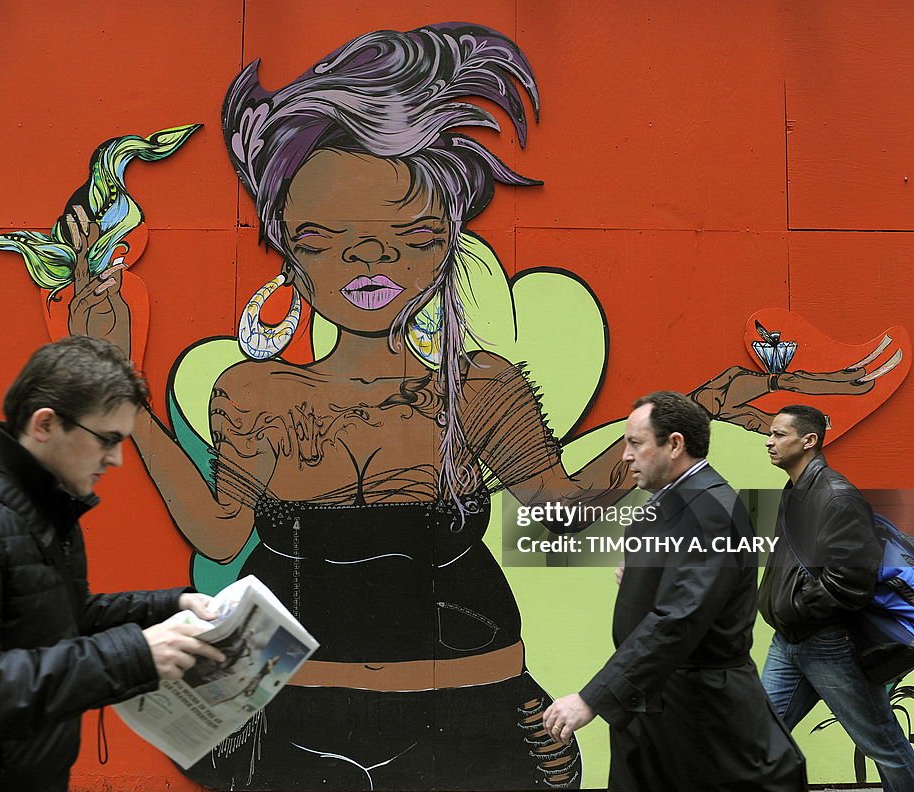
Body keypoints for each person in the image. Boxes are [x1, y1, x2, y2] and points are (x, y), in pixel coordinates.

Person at [61, 22, 884, 789]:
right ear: (285, 245)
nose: (370, 258)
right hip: (288, 714)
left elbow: (558, 505)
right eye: (325, 236)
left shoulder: (480, 385)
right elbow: (220, 530)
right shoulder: (252, 388)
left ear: (444, 246)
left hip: (474, 710)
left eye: (412, 235)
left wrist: (683, 425)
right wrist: (122, 378)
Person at [0, 336, 226, 792]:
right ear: (45, 424)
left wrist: (173, 606)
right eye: (107, 439)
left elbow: (60, 621)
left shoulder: (44, 509)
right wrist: (135, 655)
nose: (117, 458)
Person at [543, 391, 806, 791]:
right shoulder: (676, 501)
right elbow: (680, 587)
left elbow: (679, 617)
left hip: (698, 713)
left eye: (635, 443)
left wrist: (593, 698)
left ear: (675, 444)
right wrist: (641, 577)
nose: (625, 456)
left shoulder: (708, 511)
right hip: (660, 706)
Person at [759, 404, 914, 791]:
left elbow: (850, 582)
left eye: (779, 434)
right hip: (790, 640)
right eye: (771, 433)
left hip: (826, 643)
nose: (769, 442)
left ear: (808, 440)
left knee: (883, 744)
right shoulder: (797, 491)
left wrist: (797, 607)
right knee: (756, 737)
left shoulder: (836, 496)